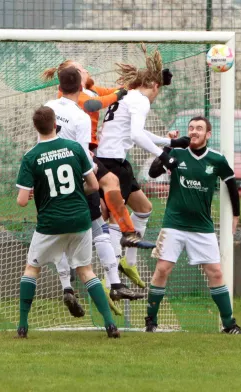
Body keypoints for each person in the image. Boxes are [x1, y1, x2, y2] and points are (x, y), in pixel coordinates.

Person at [42, 60, 153, 296]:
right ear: (74, 77)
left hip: (87, 155)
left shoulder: (86, 90)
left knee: (98, 216)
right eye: (81, 68)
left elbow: (107, 94)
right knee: (101, 198)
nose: (86, 69)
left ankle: (104, 280)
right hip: (82, 157)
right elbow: (98, 102)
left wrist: (127, 89)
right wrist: (119, 94)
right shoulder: (71, 100)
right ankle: (126, 236)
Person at [15, 105, 119, 338]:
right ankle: (110, 325)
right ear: (55, 125)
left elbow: (22, 201)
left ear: (36, 127)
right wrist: (73, 193)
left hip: (50, 223)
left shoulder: (31, 156)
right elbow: (93, 185)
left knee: (32, 268)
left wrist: (36, 193)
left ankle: (22, 326)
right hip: (80, 220)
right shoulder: (74, 148)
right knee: (86, 270)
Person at [96, 46, 191, 292]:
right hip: (114, 166)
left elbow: (134, 132)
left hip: (112, 161)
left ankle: (129, 263)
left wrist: (169, 142)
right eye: (159, 89)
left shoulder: (127, 96)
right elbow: (137, 135)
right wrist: (164, 156)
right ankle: (111, 283)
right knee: (117, 223)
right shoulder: (140, 100)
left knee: (144, 208)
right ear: (154, 85)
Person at [145, 116, 241, 334]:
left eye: (199, 128)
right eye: (191, 128)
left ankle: (229, 324)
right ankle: (150, 321)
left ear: (208, 134)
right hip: (174, 223)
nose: (194, 132)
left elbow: (230, 184)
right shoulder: (177, 153)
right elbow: (153, 173)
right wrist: (167, 147)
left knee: (216, 272)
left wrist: (236, 214)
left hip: (202, 226)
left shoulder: (217, 159)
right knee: (163, 269)